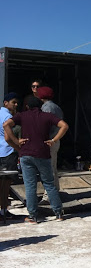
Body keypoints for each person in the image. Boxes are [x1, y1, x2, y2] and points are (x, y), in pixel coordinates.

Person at [3, 95, 68, 223]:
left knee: (30, 185)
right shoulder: (47, 116)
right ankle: (58, 213)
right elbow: (64, 126)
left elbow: (6, 125)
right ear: (40, 106)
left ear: (27, 106)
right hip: (43, 154)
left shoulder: (22, 115)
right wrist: (54, 140)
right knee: (49, 184)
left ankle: (33, 215)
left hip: (26, 154)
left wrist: (16, 141)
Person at [36, 86, 64, 192]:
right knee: (52, 167)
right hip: (55, 140)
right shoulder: (56, 107)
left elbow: (45, 125)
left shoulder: (46, 108)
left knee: (48, 169)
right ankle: (55, 190)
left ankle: (49, 194)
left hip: (49, 140)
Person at [0, 93, 21, 222]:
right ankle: (4, 211)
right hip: (7, 152)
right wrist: (18, 145)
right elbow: (8, 136)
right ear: (5, 103)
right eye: (13, 102)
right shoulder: (8, 117)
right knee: (6, 184)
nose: (16, 104)